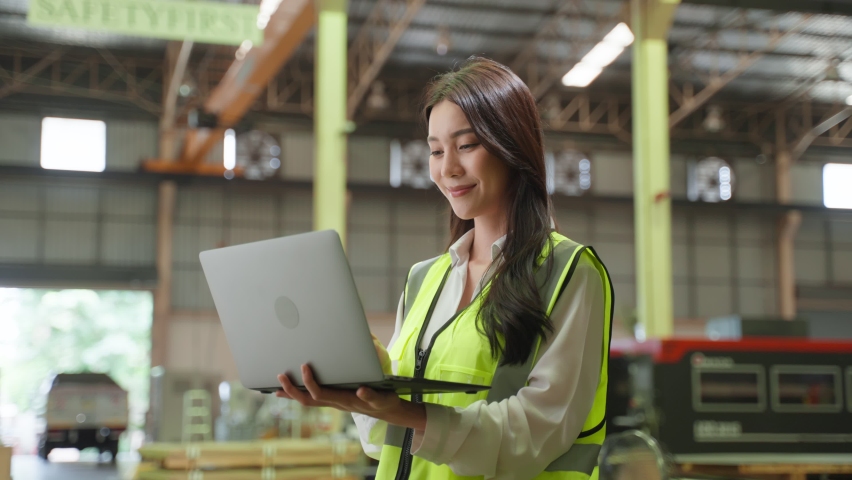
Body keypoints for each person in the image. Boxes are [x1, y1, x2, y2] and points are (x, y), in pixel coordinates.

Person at [276, 56, 614, 480]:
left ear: (512, 145)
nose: (447, 168)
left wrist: (405, 411)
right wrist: (361, 389)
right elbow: (383, 437)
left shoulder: (568, 273)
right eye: (436, 150)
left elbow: (534, 436)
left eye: (466, 145)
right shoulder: (423, 280)